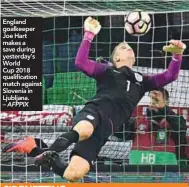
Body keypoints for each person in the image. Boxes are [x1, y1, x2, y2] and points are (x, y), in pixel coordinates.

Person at [2, 17, 186, 182]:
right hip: (94, 112)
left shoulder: (142, 81)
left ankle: (34, 147)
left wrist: (177, 55)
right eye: (121, 47)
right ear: (116, 58)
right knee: (85, 129)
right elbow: (80, 63)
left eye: (128, 46)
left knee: (74, 173)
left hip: (104, 131)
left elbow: (170, 76)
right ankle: (51, 151)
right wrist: (88, 35)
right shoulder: (107, 70)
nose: (126, 46)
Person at [115, 88, 188, 164]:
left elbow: (181, 130)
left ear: (165, 102)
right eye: (152, 98)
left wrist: (164, 109)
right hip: (137, 173)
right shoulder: (137, 121)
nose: (153, 102)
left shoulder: (174, 121)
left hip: (166, 173)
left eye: (157, 99)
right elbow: (117, 131)